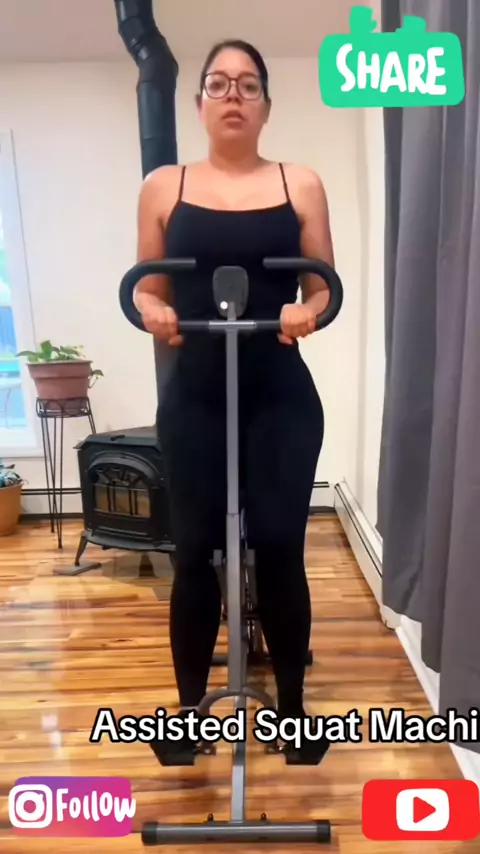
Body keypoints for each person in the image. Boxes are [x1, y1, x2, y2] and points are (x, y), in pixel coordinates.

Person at [134, 39, 336, 765]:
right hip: (195, 397)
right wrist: (154, 308)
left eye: (248, 85)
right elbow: (147, 285)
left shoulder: (299, 182)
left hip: (279, 397)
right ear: (199, 103)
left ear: (266, 106)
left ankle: (293, 712)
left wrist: (306, 309)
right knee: (192, 551)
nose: (232, 96)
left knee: (280, 547)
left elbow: (322, 285)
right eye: (218, 84)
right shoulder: (164, 185)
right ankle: (189, 715)